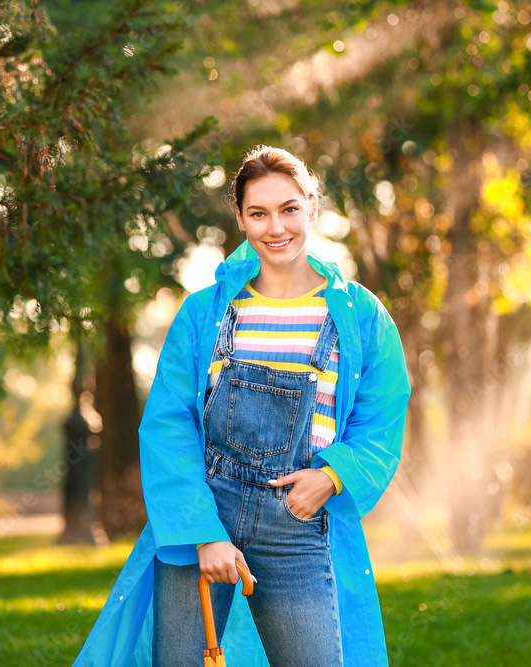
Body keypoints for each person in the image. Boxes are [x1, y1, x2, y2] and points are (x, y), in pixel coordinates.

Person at [71, 146, 411, 666]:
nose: (276, 227)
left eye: (289, 209)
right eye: (259, 213)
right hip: (208, 509)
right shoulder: (206, 312)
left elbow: (381, 418)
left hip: (297, 524)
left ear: (312, 208)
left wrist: (332, 476)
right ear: (240, 219)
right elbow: (169, 425)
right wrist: (203, 535)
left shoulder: (360, 315)